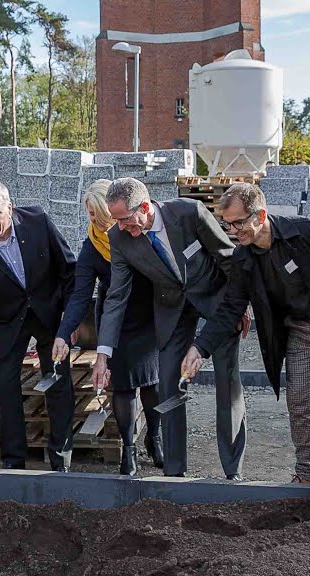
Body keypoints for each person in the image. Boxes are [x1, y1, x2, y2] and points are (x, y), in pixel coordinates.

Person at [182, 182, 310, 497]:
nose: (232, 231)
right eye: (227, 225)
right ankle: (305, 471)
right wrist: (199, 348)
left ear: (260, 215)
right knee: (298, 399)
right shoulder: (244, 259)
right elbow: (231, 307)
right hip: (298, 329)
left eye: (238, 223)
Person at [91, 178, 246, 481]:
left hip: (215, 300)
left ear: (145, 207)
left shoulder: (189, 213)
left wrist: (240, 305)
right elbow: (116, 297)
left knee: (227, 382)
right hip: (171, 309)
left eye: (125, 219)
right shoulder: (119, 238)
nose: (121, 226)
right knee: (168, 384)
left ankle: (232, 472)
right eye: (116, 220)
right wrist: (103, 353)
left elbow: (228, 258)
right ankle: (174, 472)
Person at [0, 182, 76, 471]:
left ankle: (61, 459)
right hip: (6, 319)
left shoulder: (38, 222)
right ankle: (13, 461)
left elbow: (69, 270)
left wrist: (69, 322)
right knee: (6, 387)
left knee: (58, 381)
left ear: (9, 208)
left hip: (48, 312)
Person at [54, 179, 161, 475]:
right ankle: (128, 449)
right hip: (116, 319)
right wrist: (64, 331)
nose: (97, 222)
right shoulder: (92, 246)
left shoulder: (135, 231)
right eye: (90, 215)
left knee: (152, 382)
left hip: (148, 314)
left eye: (99, 215)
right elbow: (80, 294)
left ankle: (155, 438)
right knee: (123, 385)